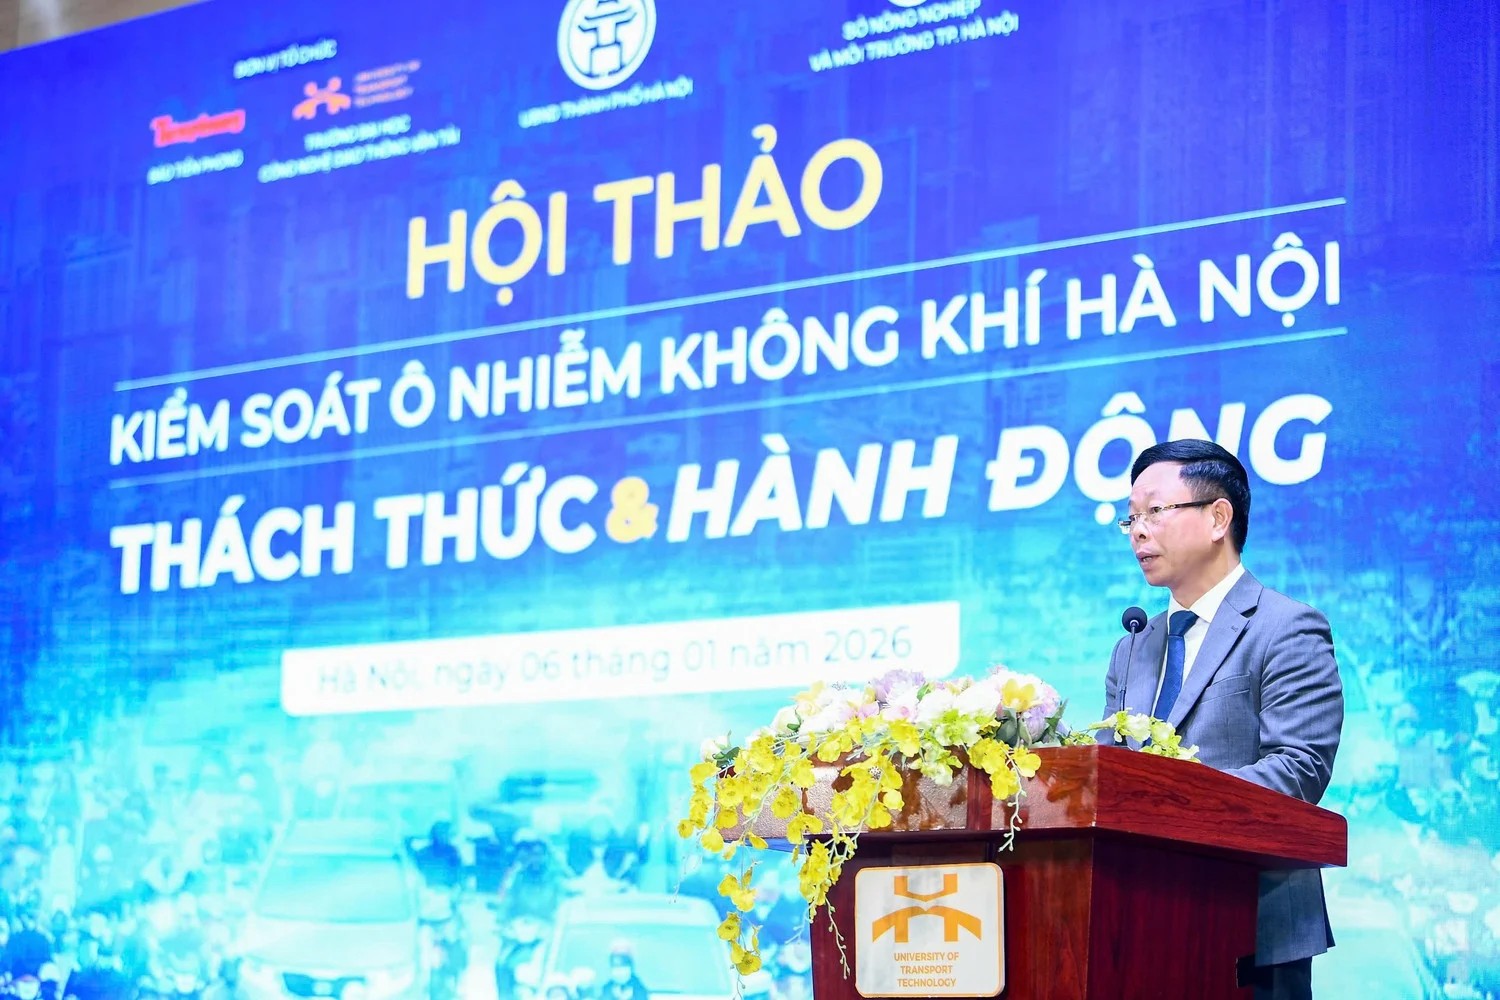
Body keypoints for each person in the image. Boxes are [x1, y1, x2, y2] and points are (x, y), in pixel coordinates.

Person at [1103, 440, 1343, 1000]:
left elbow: (1298, 769)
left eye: (1154, 511)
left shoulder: (1286, 628)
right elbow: (1111, 777)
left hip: (1252, 926)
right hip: (1141, 921)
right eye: (1131, 518)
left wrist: (1169, 803)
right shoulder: (1133, 647)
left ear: (1217, 517)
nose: (1138, 532)